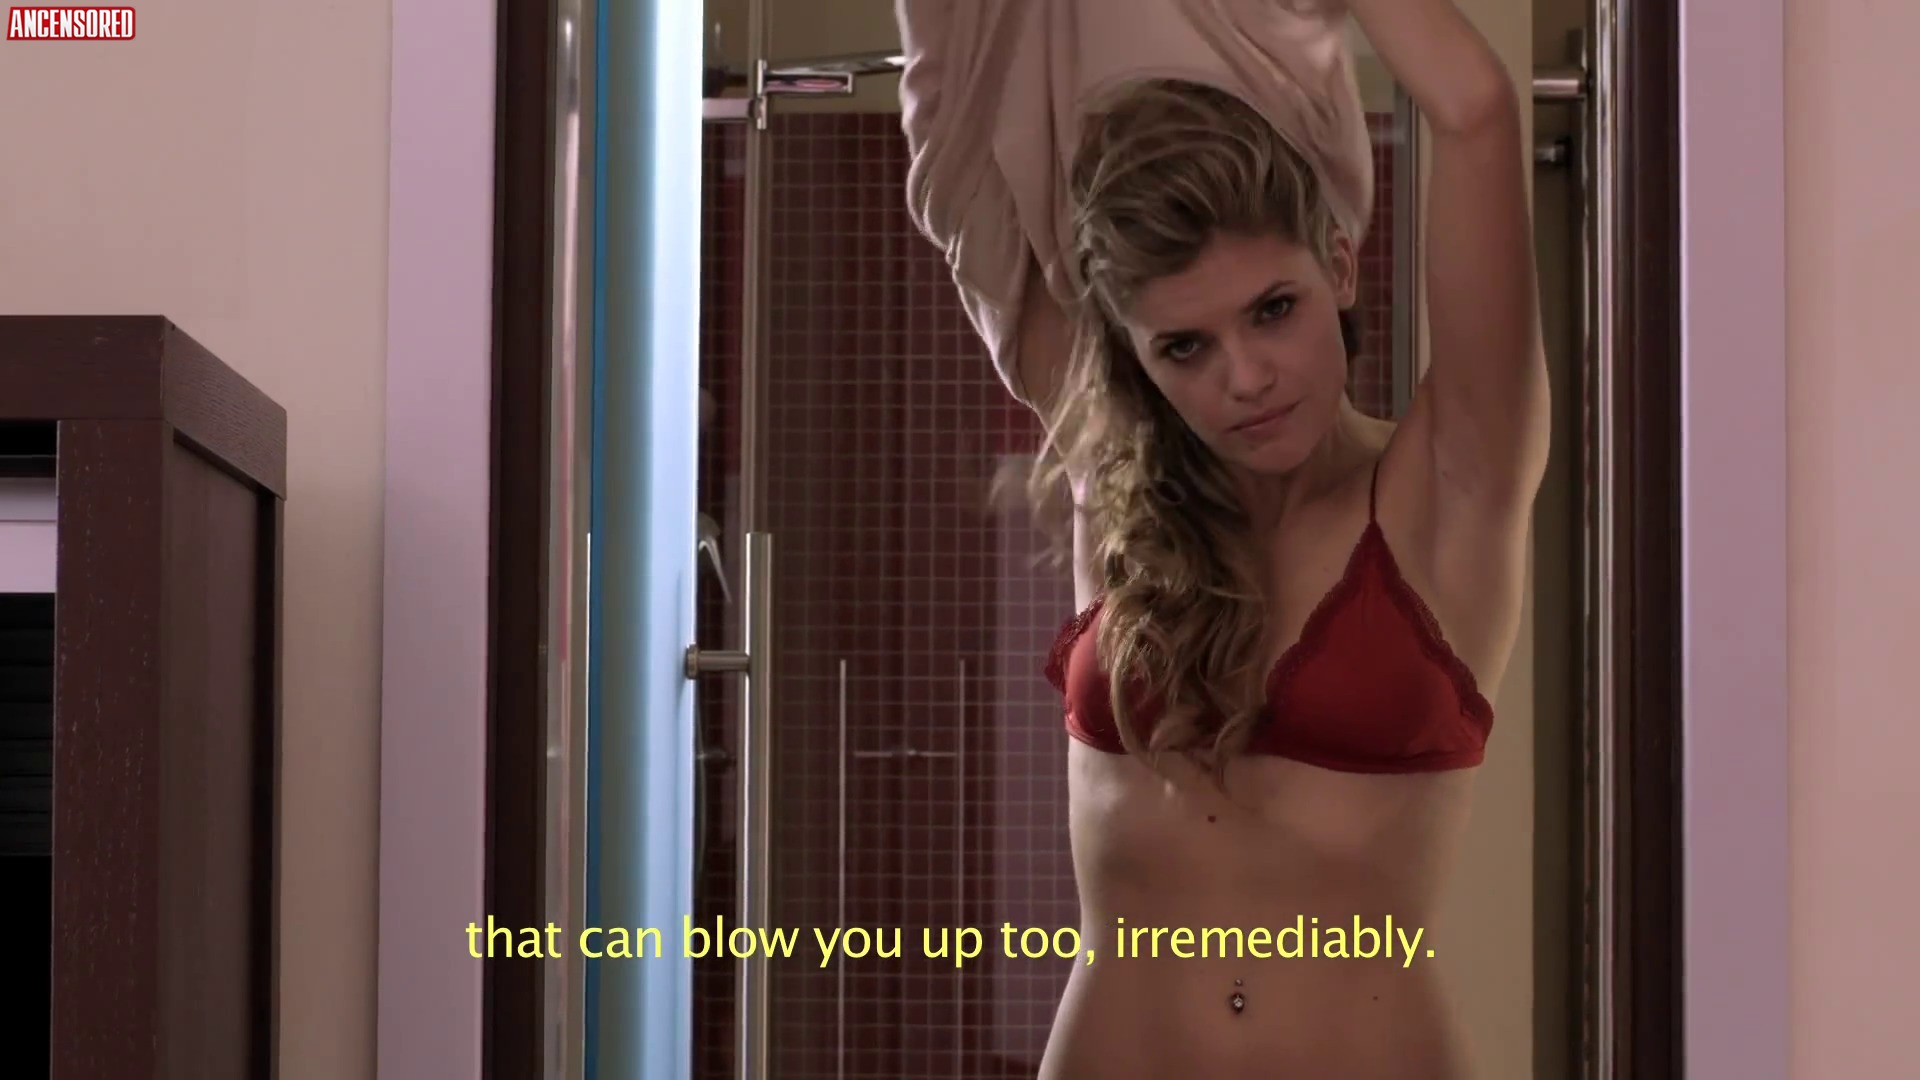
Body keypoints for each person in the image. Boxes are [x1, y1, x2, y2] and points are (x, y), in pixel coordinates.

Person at [905, 0, 1547, 1075]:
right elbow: (952, 133)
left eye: (1273, 309)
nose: (1244, 378)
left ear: (1339, 266)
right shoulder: (1114, 476)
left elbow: (1476, 109)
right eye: (1185, 347)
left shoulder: (1450, 490)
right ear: (1138, 357)